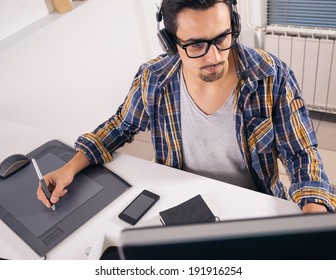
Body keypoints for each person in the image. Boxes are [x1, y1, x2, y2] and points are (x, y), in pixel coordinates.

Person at [37, 0, 336, 213]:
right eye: (195, 45)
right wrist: (70, 167)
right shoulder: (154, 78)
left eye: (222, 38)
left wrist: (313, 209)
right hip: (179, 202)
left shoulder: (271, 75)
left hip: (252, 204)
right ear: (170, 43)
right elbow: (121, 125)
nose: (214, 57)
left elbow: (300, 153)